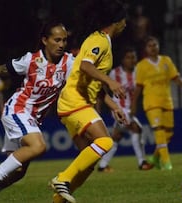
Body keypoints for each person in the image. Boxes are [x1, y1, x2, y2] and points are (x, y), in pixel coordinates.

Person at [0, 20, 74, 203]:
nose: (61, 44)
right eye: (57, 40)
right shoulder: (30, 60)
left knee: (17, 172)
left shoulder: (68, 63)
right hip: (17, 110)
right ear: (44, 40)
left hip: (31, 120)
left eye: (64, 40)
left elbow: (87, 71)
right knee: (38, 146)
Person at [48, 1, 128, 202]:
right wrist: (111, 81)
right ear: (117, 22)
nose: (126, 24)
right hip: (75, 100)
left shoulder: (102, 42)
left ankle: (58, 200)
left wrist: (113, 106)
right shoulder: (99, 41)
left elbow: (93, 81)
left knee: (89, 161)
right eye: (124, 20)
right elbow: (85, 66)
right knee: (105, 142)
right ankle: (63, 177)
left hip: (74, 103)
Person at [130, 36, 182, 171]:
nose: (153, 48)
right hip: (151, 102)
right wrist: (134, 104)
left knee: (168, 133)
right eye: (150, 46)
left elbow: (175, 77)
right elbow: (138, 87)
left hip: (167, 101)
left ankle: (155, 158)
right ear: (146, 49)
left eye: (155, 45)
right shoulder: (141, 66)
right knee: (159, 130)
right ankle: (166, 162)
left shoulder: (166, 61)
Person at [97, 46, 153, 172]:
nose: (132, 60)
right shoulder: (114, 73)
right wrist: (106, 102)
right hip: (118, 108)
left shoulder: (138, 72)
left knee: (116, 136)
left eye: (134, 57)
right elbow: (102, 85)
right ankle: (142, 162)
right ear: (122, 60)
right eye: (129, 57)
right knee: (136, 129)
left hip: (130, 109)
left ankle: (102, 165)